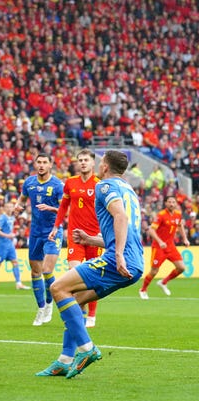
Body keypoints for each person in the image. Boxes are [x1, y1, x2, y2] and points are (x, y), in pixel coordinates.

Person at [36, 150, 144, 378]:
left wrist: (119, 255)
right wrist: (91, 239)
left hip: (118, 260)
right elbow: (125, 230)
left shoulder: (104, 186)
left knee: (58, 288)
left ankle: (87, 349)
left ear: (104, 166)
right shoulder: (129, 191)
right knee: (75, 300)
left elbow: (121, 219)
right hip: (135, 264)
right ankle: (64, 360)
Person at [49, 149, 102, 328]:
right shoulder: (70, 183)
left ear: (93, 163)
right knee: (77, 273)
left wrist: (104, 233)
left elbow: (106, 211)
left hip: (95, 238)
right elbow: (63, 207)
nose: (82, 163)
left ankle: (91, 315)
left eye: (86, 160)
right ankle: (80, 309)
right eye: (80, 160)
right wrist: (56, 227)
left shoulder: (100, 185)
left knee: (93, 279)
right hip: (76, 237)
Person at [14, 153, 64, 326]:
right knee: (35, 272)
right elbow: (22, 199)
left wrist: (51, 208)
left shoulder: (58, 185)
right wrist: (18, 207)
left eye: (45, 162)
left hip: (52, 231)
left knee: (47, 269)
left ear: (51, 165)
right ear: (35, 165)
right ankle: (41, 308)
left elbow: (65, 210)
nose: (42, 165)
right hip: (35, 232)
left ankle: (51, 302)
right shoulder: (29, 182)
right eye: (39, 162)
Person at [139, 195, 190, 299]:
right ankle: (143, 290)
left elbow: (180, 226)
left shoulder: (178, 215)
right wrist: (160, 241)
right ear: (166, 203)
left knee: (181, 267)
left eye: (173, 202)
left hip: (170, 246)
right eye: (169, 202)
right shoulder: (161, 215)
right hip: (158, 247)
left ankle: (163, 282)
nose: (171, 204)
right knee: (154, 271)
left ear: (176, 204)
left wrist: (185, 239)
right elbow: (151, 230)